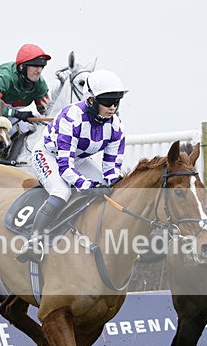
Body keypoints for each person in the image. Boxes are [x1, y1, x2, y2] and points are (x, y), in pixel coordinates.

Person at [16, 69, 128, 263]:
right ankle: (34, 241)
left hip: (79, 160)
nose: (112, 107)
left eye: (116, 102)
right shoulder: (71, 117)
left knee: (111, 191)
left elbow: (111, 169)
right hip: (49, 155)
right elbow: (65, 167)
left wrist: (113, 182)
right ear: (91, 100)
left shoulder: (116, 126)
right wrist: (89, 186)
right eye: (107, 101)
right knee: (62, 191)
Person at [0, 43, 52, 135]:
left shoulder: (40, 84)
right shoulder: (4, 77)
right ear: (22, 67)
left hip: (11, 113)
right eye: (35, 66)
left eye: (42, 66)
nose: (39, 70)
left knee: (31, 131)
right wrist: (17, 114)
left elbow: (46, 110)